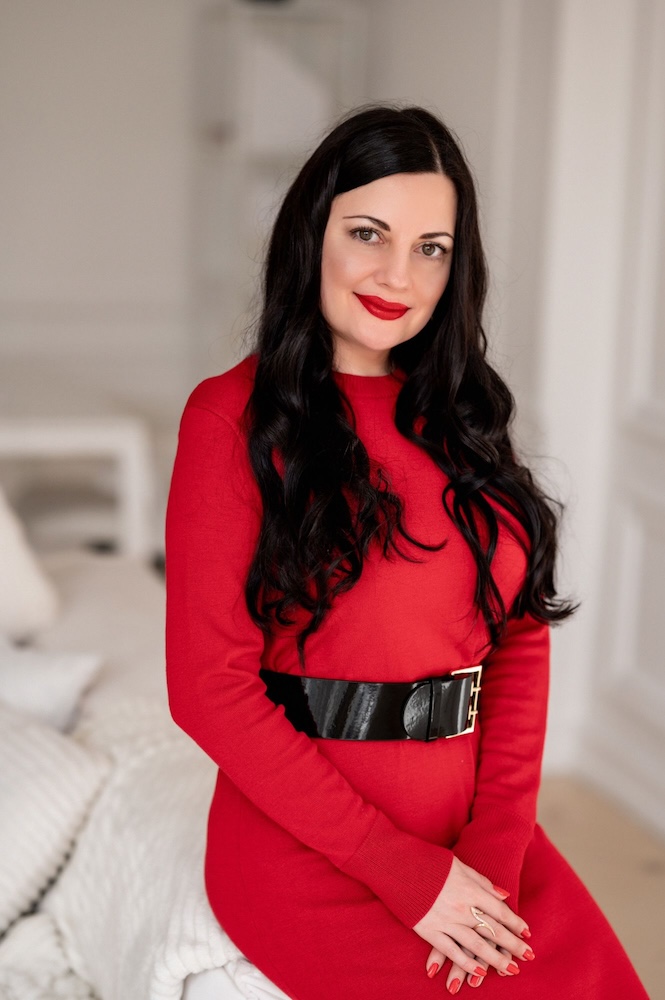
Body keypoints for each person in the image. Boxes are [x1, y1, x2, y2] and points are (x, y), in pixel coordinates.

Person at [165, 104, 649, 998]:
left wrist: (495, 852)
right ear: (311, 234)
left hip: (473, 838)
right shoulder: (230, 418)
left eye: (431, 247)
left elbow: (516, 638)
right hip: (311, 851)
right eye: (368, 233)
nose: (399, 274)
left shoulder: (460, 416)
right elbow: (209, 691)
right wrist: (406, 875)